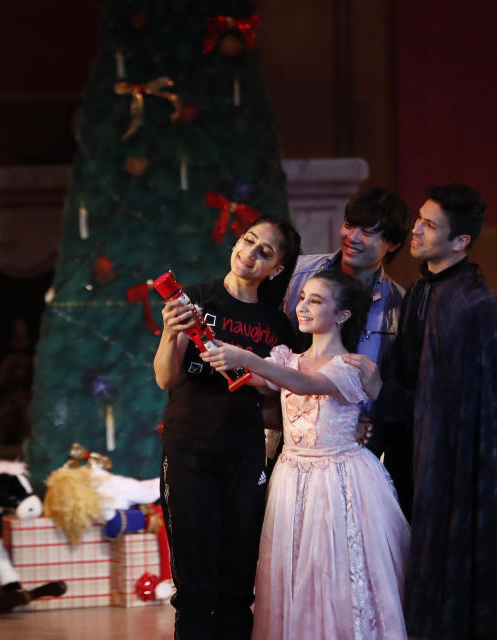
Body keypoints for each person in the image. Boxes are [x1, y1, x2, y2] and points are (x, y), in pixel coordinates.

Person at [201, 270, 410, 640]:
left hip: (339, 479)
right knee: (295, 572)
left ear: (342, 315)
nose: (304, 306)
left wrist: (246, 357)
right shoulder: (286, 357)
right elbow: (260, 377)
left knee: (336, 572)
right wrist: (211, 344)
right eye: (303, 298)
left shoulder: (350, 367)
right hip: (291, 476)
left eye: (316, 300)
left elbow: (304, 384)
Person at [376, 184, 497, 639]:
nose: (416, 229)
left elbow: (448, 401)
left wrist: (379, 391)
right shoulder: (423, 290)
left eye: (430, 226)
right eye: (420, 219)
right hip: (415, 446)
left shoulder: (470, 302)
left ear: (460, 241)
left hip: (450, 459)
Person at [153, 216, 300, 640]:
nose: (249, 253)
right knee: (195, 584)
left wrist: (254, 372)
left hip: (245, 453)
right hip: (188, 450)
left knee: (237, 583)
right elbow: (165, 377)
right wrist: (170, 331)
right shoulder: (194, 298)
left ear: (275, 269)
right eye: (247, 241)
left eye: (264, 253)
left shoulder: (277, 325)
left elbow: (283, 402)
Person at [281, 187, 415, 509]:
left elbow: (385, 381)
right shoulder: (300, 275)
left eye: (368, 232)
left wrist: (369, 419)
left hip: (353, 448)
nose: (351, 236)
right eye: (348, 224)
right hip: (293, 438)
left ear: (393, 244)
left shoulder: (398, 303)